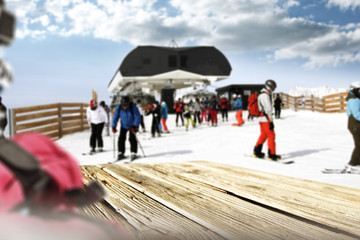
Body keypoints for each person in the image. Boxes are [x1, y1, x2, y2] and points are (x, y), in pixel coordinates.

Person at [253, 79, 281, 160]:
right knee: (271, 135)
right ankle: (272, 155)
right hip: (266, 119)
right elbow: (268, 110)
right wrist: (271, 122)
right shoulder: (265, 96)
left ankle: (257, 151)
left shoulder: (261, 94)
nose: (274, 90)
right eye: (273, 88)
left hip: (261, 119)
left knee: (263, 135)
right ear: (269, 87)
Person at [111, 96, 141, 161]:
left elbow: (137, 116)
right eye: (123, 106)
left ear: (128, 103)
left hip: (132, 125)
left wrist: (135, 125)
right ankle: (121, 152)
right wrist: (113, 126)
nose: (125, 107)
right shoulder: (119, 108)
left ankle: (133, 152)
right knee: (121, 138)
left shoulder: (133, 107)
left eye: (126, 105)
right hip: (124, 125)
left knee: (132, 138)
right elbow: (115, 117)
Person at [345, 82, 360, 173]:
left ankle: (356, 162)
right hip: (356, 126)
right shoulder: (354, 100)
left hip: (354, 125)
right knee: (359, 145)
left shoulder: (353, 98)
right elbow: (357, 114)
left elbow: (348, 113)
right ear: (355, 90)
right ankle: (353, 164)